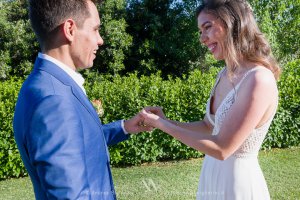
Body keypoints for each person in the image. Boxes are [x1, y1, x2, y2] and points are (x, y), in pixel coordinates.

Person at [140, 0, 281, 199]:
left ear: (233, 23)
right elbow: (209, 126)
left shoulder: (259, 79)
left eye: (207, 27)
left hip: (237, 184)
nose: (202, 39)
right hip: (212, 175)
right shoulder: (224, 74)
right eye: (200, 31)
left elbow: (223, 148)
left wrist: (163, 125)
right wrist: (165, 121)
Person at [13, 0, 152, 199]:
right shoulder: (54, 99)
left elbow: (78, 142)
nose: (100, 40)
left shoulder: (45, 85)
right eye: (95, 29)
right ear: (70, 29)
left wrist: (125, 127)